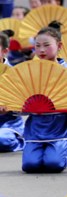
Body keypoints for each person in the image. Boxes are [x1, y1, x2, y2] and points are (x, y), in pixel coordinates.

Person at [22, 22, 67, 173]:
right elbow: (20, 101)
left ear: (59, 46)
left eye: (46, 45)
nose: (41, 50)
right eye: (37, 45)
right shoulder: (30, 72)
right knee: (30, 166)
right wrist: (7, 109)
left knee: (54, 164)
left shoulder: (65, 72)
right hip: (36, 128)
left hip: (60, 128)